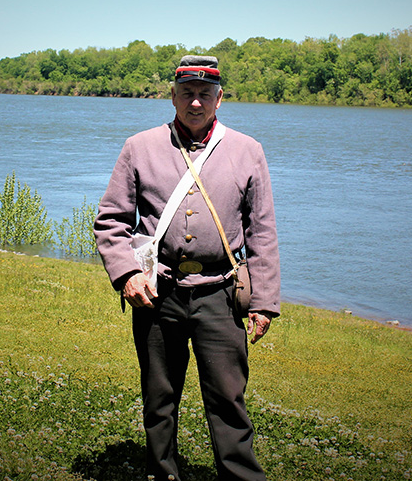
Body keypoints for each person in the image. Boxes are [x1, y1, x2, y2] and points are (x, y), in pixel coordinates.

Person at [94, 55, 281, 481]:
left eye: (204, 95)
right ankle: (162, 474)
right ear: (172, 96)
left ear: (220, 99)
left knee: (228, 401)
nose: (195, 103)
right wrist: (126, 274)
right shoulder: (138, 147)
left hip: (221, 294)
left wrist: (265, 301)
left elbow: (262, 231)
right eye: (187, 94)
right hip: (159, 292)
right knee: (159, 399)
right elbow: (111, 220)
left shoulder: (248, 151)